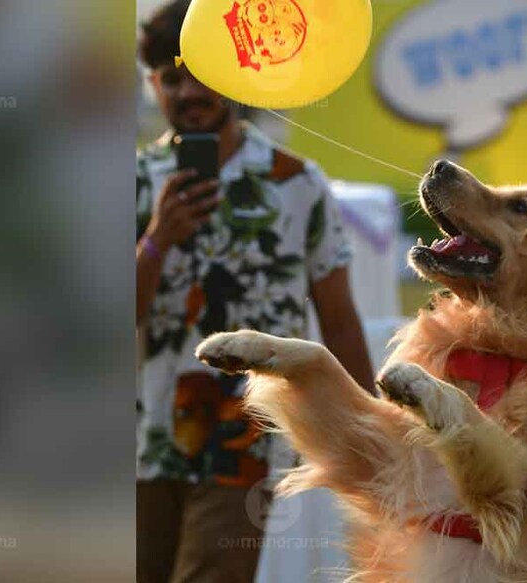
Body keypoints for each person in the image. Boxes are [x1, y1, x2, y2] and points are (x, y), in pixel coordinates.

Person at [135, 1, 375, 581]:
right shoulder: (134, 181)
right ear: (153, 85)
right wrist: (158, 239)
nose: (189, 92)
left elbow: (339, 319)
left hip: (245, 437)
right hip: (142, 438)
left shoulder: (297, 183)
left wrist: (373, 433)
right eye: (171, 78)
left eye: (200, 75)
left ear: (234, 73)